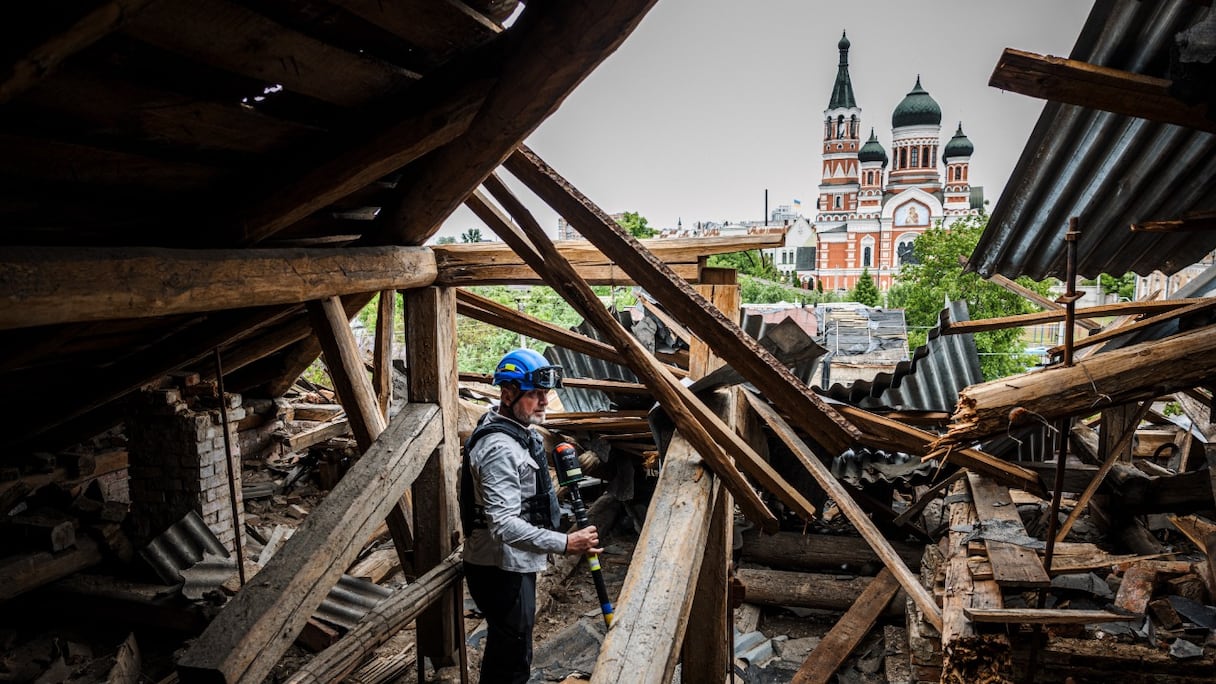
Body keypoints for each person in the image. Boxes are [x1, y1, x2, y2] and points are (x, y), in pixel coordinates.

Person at [461, 348, 602, 684]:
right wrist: (566, 542)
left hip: (513, 562)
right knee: (509, 657)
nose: (544, 402)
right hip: (499, 567)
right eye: (535, 395)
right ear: (507, 394)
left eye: (546, 393)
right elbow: (503, 525)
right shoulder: (499, 448)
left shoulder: (513, 428)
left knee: (513, 646)